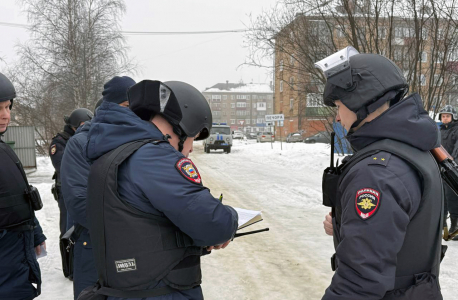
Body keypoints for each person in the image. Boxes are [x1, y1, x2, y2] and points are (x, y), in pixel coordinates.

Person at [80, 80, 238, 300]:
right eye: (193, 138)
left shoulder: (113, 153)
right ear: (182, 126)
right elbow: (214, 223)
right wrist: (232, 216)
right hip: (160, 291)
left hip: (127, 288)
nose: (191, 148)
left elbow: (141, 225)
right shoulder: (154, 157)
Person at [317, 47, 443, 299]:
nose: (338, 117)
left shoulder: (377, 172)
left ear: (360, 101)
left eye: (340, 106)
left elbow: (359, 281)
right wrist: (347, 223)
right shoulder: (414, 148)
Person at [60, 76, 135, 299]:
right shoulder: (81, 144)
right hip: (94, 247)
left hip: (134, 249)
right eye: (127, 107)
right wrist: (137, 224)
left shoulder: (140, 141)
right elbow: (81, 204)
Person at [0, 72, 47, 300]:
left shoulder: (4, 149)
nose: (5, 115)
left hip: (16, 258)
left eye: (8, 107)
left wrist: (36, 234)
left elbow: (19, 196)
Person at [49, 107, 93, 240]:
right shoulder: (60, 141)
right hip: (66, 190)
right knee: (68, 231)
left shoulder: (88, 138)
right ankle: (68, 257)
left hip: (84, 189)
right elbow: (63, 166)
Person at [438, 105, 458, 240]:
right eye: (443, 116)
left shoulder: (456, 130)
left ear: (453, 117)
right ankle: (443, 226)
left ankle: (454, 226)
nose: (445, 118)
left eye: (447, 116)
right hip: (439, 169)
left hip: (452, 169)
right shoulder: (438, 131)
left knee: (452, 198)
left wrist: (452, 165)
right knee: (441, 198)